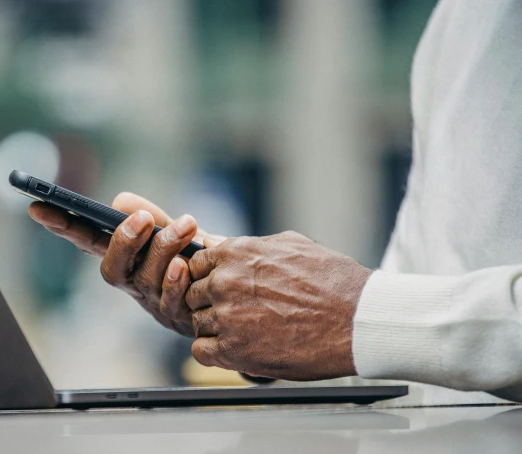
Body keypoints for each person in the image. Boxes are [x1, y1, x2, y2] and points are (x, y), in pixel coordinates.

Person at [29, 0, 522, 402]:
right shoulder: (456, 23)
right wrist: (239, 320)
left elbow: (386, 323)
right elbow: (408, 354)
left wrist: (356, 316)